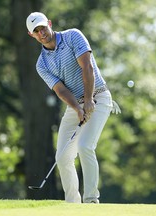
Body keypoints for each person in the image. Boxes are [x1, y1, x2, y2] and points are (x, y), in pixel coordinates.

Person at [26, 12, 120, 203]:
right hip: (75, 104)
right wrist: (78, 108)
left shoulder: (72, 36)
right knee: (62, 157)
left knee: (86, 146)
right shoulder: (41, 64)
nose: (41, 32)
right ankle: (73, 204)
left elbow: (87, 67)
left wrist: (88, 100)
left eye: (43, 27)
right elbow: (60, 90)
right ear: (32, 35)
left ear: (50, 24)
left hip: (99, 97)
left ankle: (91, 199)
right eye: (36, 31)